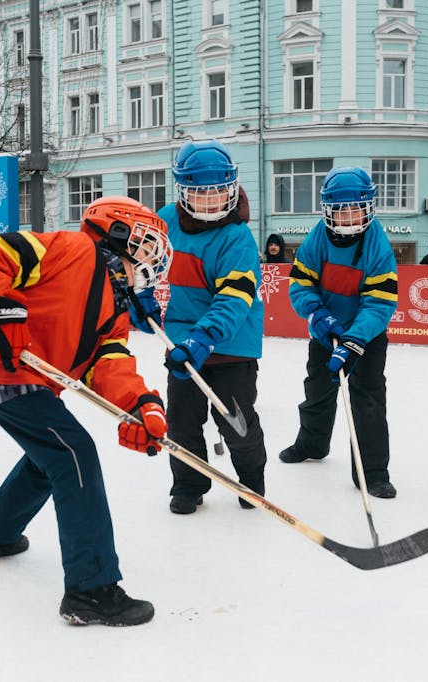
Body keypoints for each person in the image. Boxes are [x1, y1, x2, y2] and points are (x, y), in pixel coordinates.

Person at [0, 195, 172, 627]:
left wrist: (141, 404)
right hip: (5, 367)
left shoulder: (114, 308)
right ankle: (91, 588)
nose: (150, 262)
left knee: (50, 458)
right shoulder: (71, 250)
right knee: (73, 453)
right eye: (147, 248)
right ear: (119, 233)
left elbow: (109, 365)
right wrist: (2, 310)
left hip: (34, 383)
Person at [157, 139, 267, 515]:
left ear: (232, 187)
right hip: (181, 341)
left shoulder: (237, 237)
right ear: (183, 191)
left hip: (231, 341)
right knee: (182, 422)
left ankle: (252, 481)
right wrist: (135, 296)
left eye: (219, 191)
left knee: (235, 421)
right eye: (200, 193)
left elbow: (235, 298)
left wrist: (205, 336)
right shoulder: (164, 222)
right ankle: (188, 484)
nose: (211, 201)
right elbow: (139, 265)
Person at [279, 167, 399, 498]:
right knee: (317, 390)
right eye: (340, 210)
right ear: (327, 210)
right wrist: (317, 314)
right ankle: (312, 443)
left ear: (369, 207)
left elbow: (379, 303)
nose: (349, 217)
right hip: (326, 332)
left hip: (366, 338)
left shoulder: (378, 246)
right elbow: (301, 283)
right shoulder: (317, 237)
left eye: (356, 209)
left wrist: (354, 340)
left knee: (368, 400)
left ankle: (373, 472)